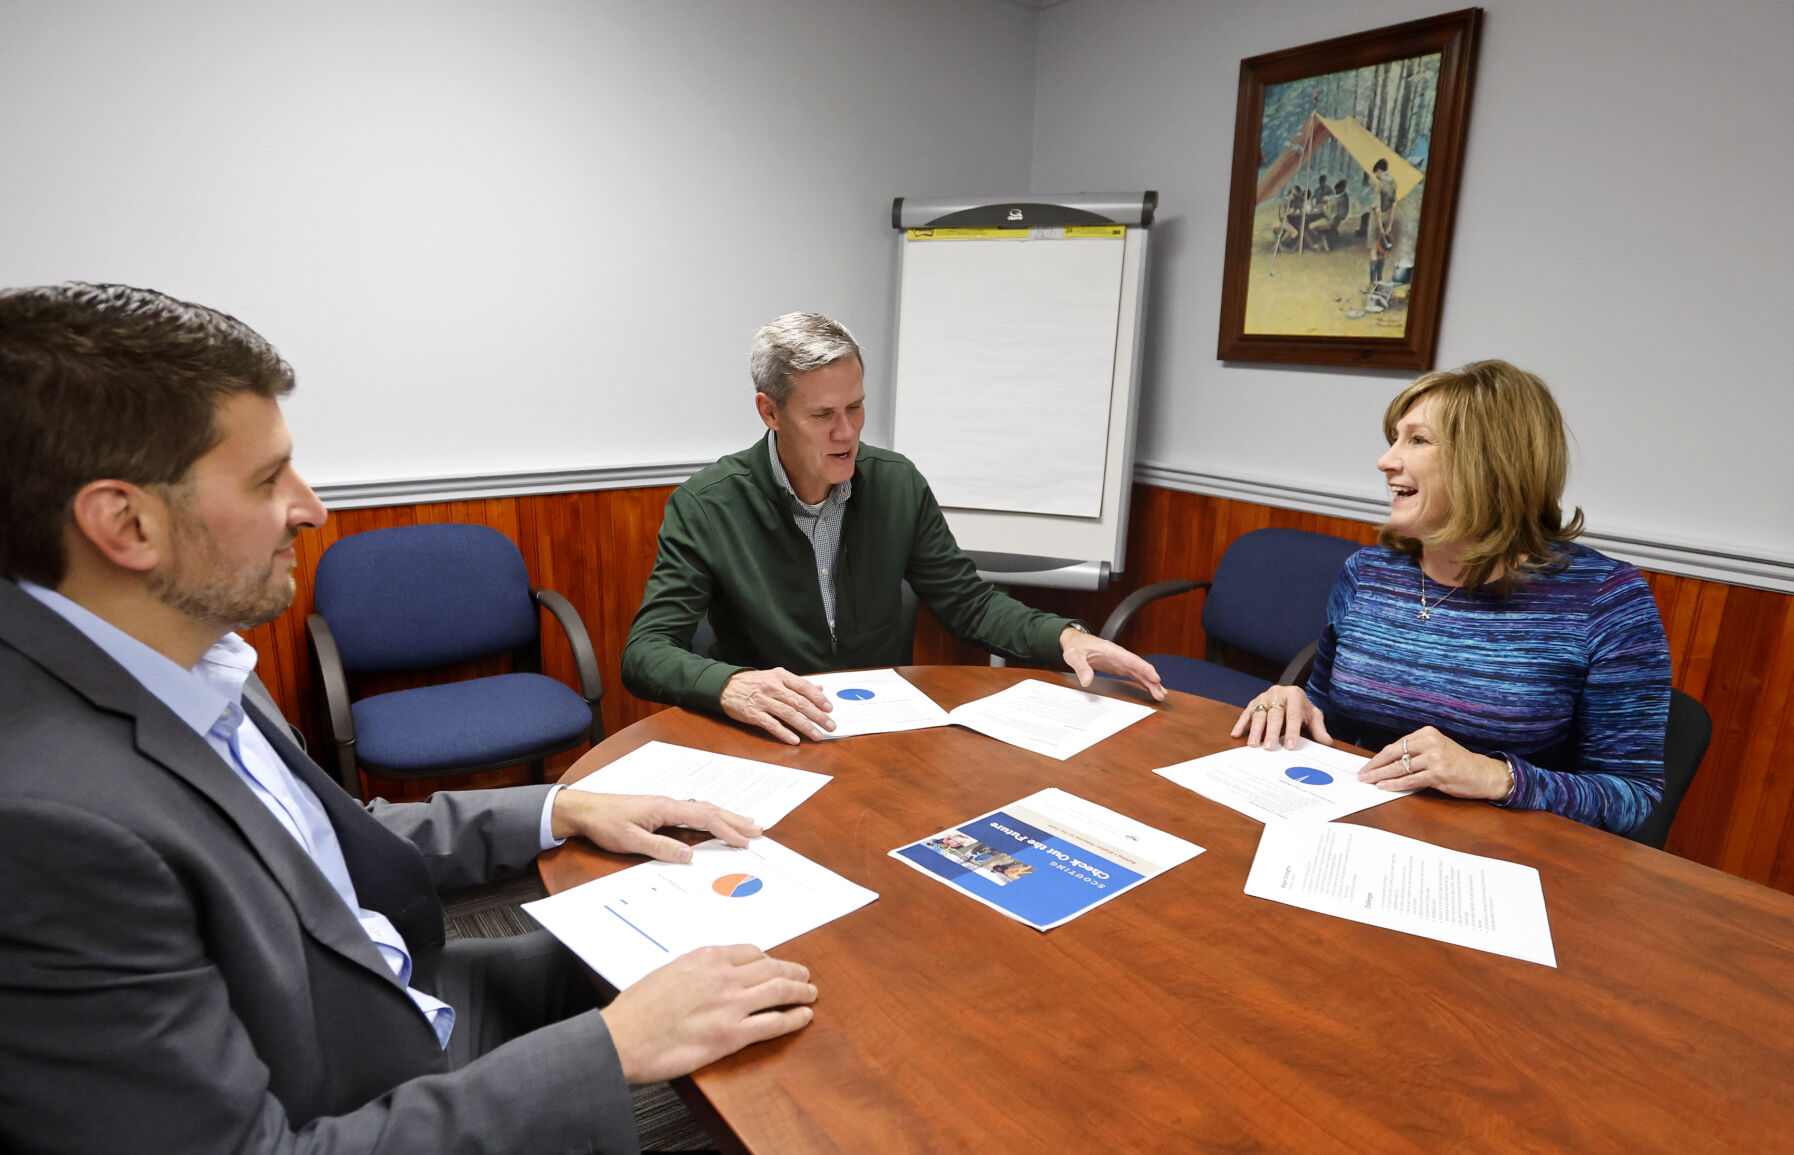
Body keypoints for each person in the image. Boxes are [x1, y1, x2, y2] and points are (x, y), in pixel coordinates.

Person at [0, 283, 818, 1153]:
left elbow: (325, 838)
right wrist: (612, 1049)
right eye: (269, 478)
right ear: (126, 522)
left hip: (392, 992)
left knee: (762, 952)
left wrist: (561, 809)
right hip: (373, 1091)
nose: (313, 507)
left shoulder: (182, 646)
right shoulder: (46, 828)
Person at [621, 311, 1164, 744]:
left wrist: (1065, 636)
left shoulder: (895, 483)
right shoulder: (709, 505)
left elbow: (967, 603)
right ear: (770, 412)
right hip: (774, 732)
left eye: (856, 407)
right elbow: (645, 652)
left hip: (880, 724)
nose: (847, 432)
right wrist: (731, 684)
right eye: (822, 415)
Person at [1231, 360, 1671, 836]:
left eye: (1417, 440)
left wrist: (1496, 776)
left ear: (1489, 463)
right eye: (1394, 438)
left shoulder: (1604, 598)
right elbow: (1329, 711)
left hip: (1504, 855)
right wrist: (1295, 704)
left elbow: (1633, 797)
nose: (1385, 461)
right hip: (1357, 824)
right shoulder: (1368, 573)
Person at [1366, 158, 1399, 288]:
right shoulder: (1393, 183)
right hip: (1387, 220)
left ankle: (1372, 283)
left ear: (1380, 171)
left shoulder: (1379, 186)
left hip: (1376, 221)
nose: (1377, 176)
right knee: (1382, 250)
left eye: (1377, 174)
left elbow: (1377, 209)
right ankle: (1379, 282)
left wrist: (1379, 227)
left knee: (1373, 249)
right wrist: (1389, 225)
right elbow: (1394, 205)